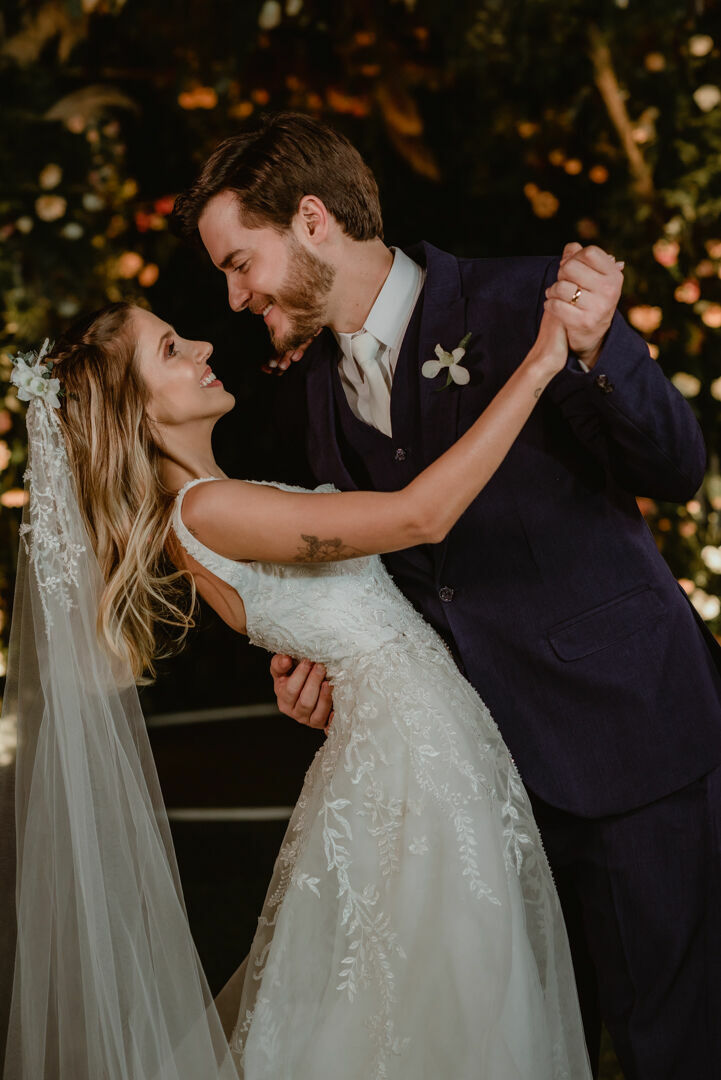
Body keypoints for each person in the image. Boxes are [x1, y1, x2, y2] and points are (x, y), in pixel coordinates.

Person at [171, 112, 721, 1080]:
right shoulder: (313, 397)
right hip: (483, 785)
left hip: (628, 737)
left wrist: (599, 354)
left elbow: (675, 466)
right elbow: (397, 579)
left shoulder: (523, 300)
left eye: (239, 261)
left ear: (310, 219)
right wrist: (326, 670)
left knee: (669, 1044)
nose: (235, 293)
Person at [0, 297, 591, 1079]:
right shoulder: (208, 509)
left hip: (408, 750)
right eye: (172, 349)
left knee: (433, 998)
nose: (204, 343)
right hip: (410, 768)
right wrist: (543, 358)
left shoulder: (210, 508)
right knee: (446, 999)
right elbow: (421, 515)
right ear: (135, 409)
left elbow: (317, 625)